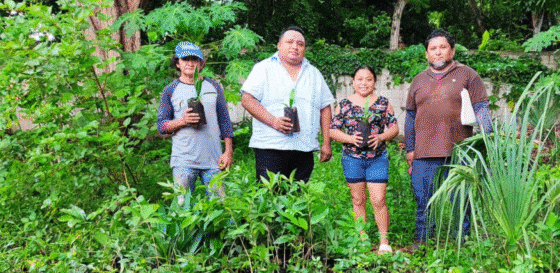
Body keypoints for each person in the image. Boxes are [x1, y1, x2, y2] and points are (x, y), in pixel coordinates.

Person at [404, 29, 492, 247]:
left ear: (452, 50)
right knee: (424, 201)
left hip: (459, 151)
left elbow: (481, 108)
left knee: (460, 200)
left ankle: (463, 243)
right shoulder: (418, 81)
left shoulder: (468, 75)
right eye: (433, 48)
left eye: (443, 47)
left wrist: (486, 138)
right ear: (426, 54)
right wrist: (410, 149)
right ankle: (424, 241)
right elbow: (410, 116)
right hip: (424, 153)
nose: (438, 52)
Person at [241, 26, 335, 183]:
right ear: (279, 45)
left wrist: (326, 143)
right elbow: (247, 99)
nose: (295, 46)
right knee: (270, 197)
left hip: (304, 148)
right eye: (289, 42)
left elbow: (325, 107)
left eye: (300, 44)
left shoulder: (314, 73)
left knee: (297, 199)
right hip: (270, 146)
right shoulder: (264, 68)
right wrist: (274, 122)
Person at [329, 66, 399, 254]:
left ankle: (384, 241)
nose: (364, 83)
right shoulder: (344, 104)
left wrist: (381, 137)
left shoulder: (383, 103)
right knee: (358, 199)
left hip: (377, 158)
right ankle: (362, 239)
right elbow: (333, 130)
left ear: (374, 83)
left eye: (368, 79)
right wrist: (350, 139)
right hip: (352, 158)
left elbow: (394, 128)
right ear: (353, 82)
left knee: (379, 199)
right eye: (359, 79)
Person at [157, 41, 234, 206]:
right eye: (185, 59)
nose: (190, 63)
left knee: (221, 206)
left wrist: (228, 151)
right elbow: (162, 126)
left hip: (214, 160)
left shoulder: (213, 86)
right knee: (182, 207)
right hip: (184, 160)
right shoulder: (170, 90)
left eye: (195, 59)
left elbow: (225, 121)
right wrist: (182, 121)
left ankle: (216, 232)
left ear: (202, 63)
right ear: (178, 63)